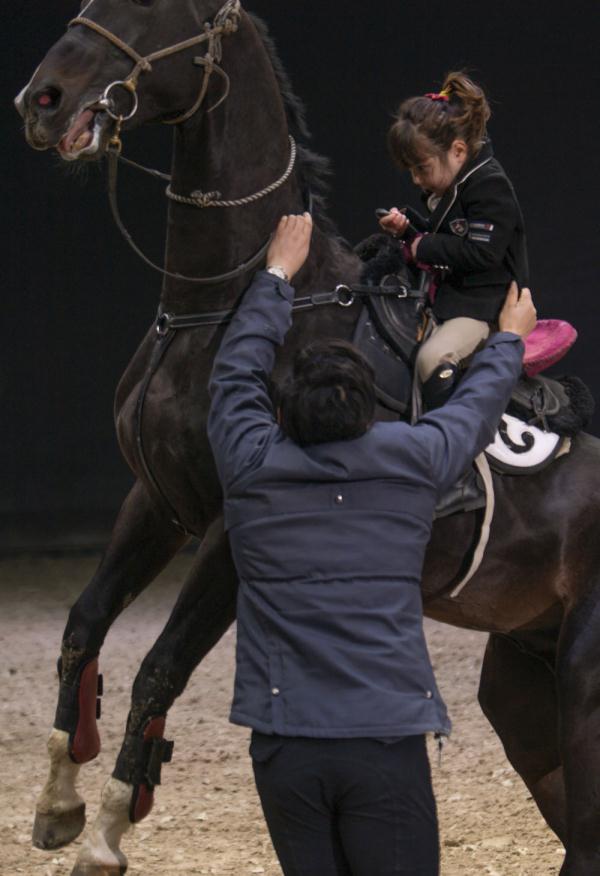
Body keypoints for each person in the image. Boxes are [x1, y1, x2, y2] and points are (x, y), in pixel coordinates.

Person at [207, 213, 536, 876]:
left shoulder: (250, 461)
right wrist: (507, 342)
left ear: (281, 414)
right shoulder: (411, 457)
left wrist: (276, 276)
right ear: (367, 415)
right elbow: (473, 411)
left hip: (286, 744)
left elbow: (233, 375)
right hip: (385, 739)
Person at [380, 72, 529, 409]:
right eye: (411, 171)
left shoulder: (489, 185)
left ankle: (453, 438)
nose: (416, 179)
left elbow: (482, 253)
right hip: (454, 301)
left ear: (458, 151)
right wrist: (407, 230)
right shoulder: (454, 185)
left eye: (421, 168)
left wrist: (424, 246)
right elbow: (449, 240)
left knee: (431, 358)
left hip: (487, 309)